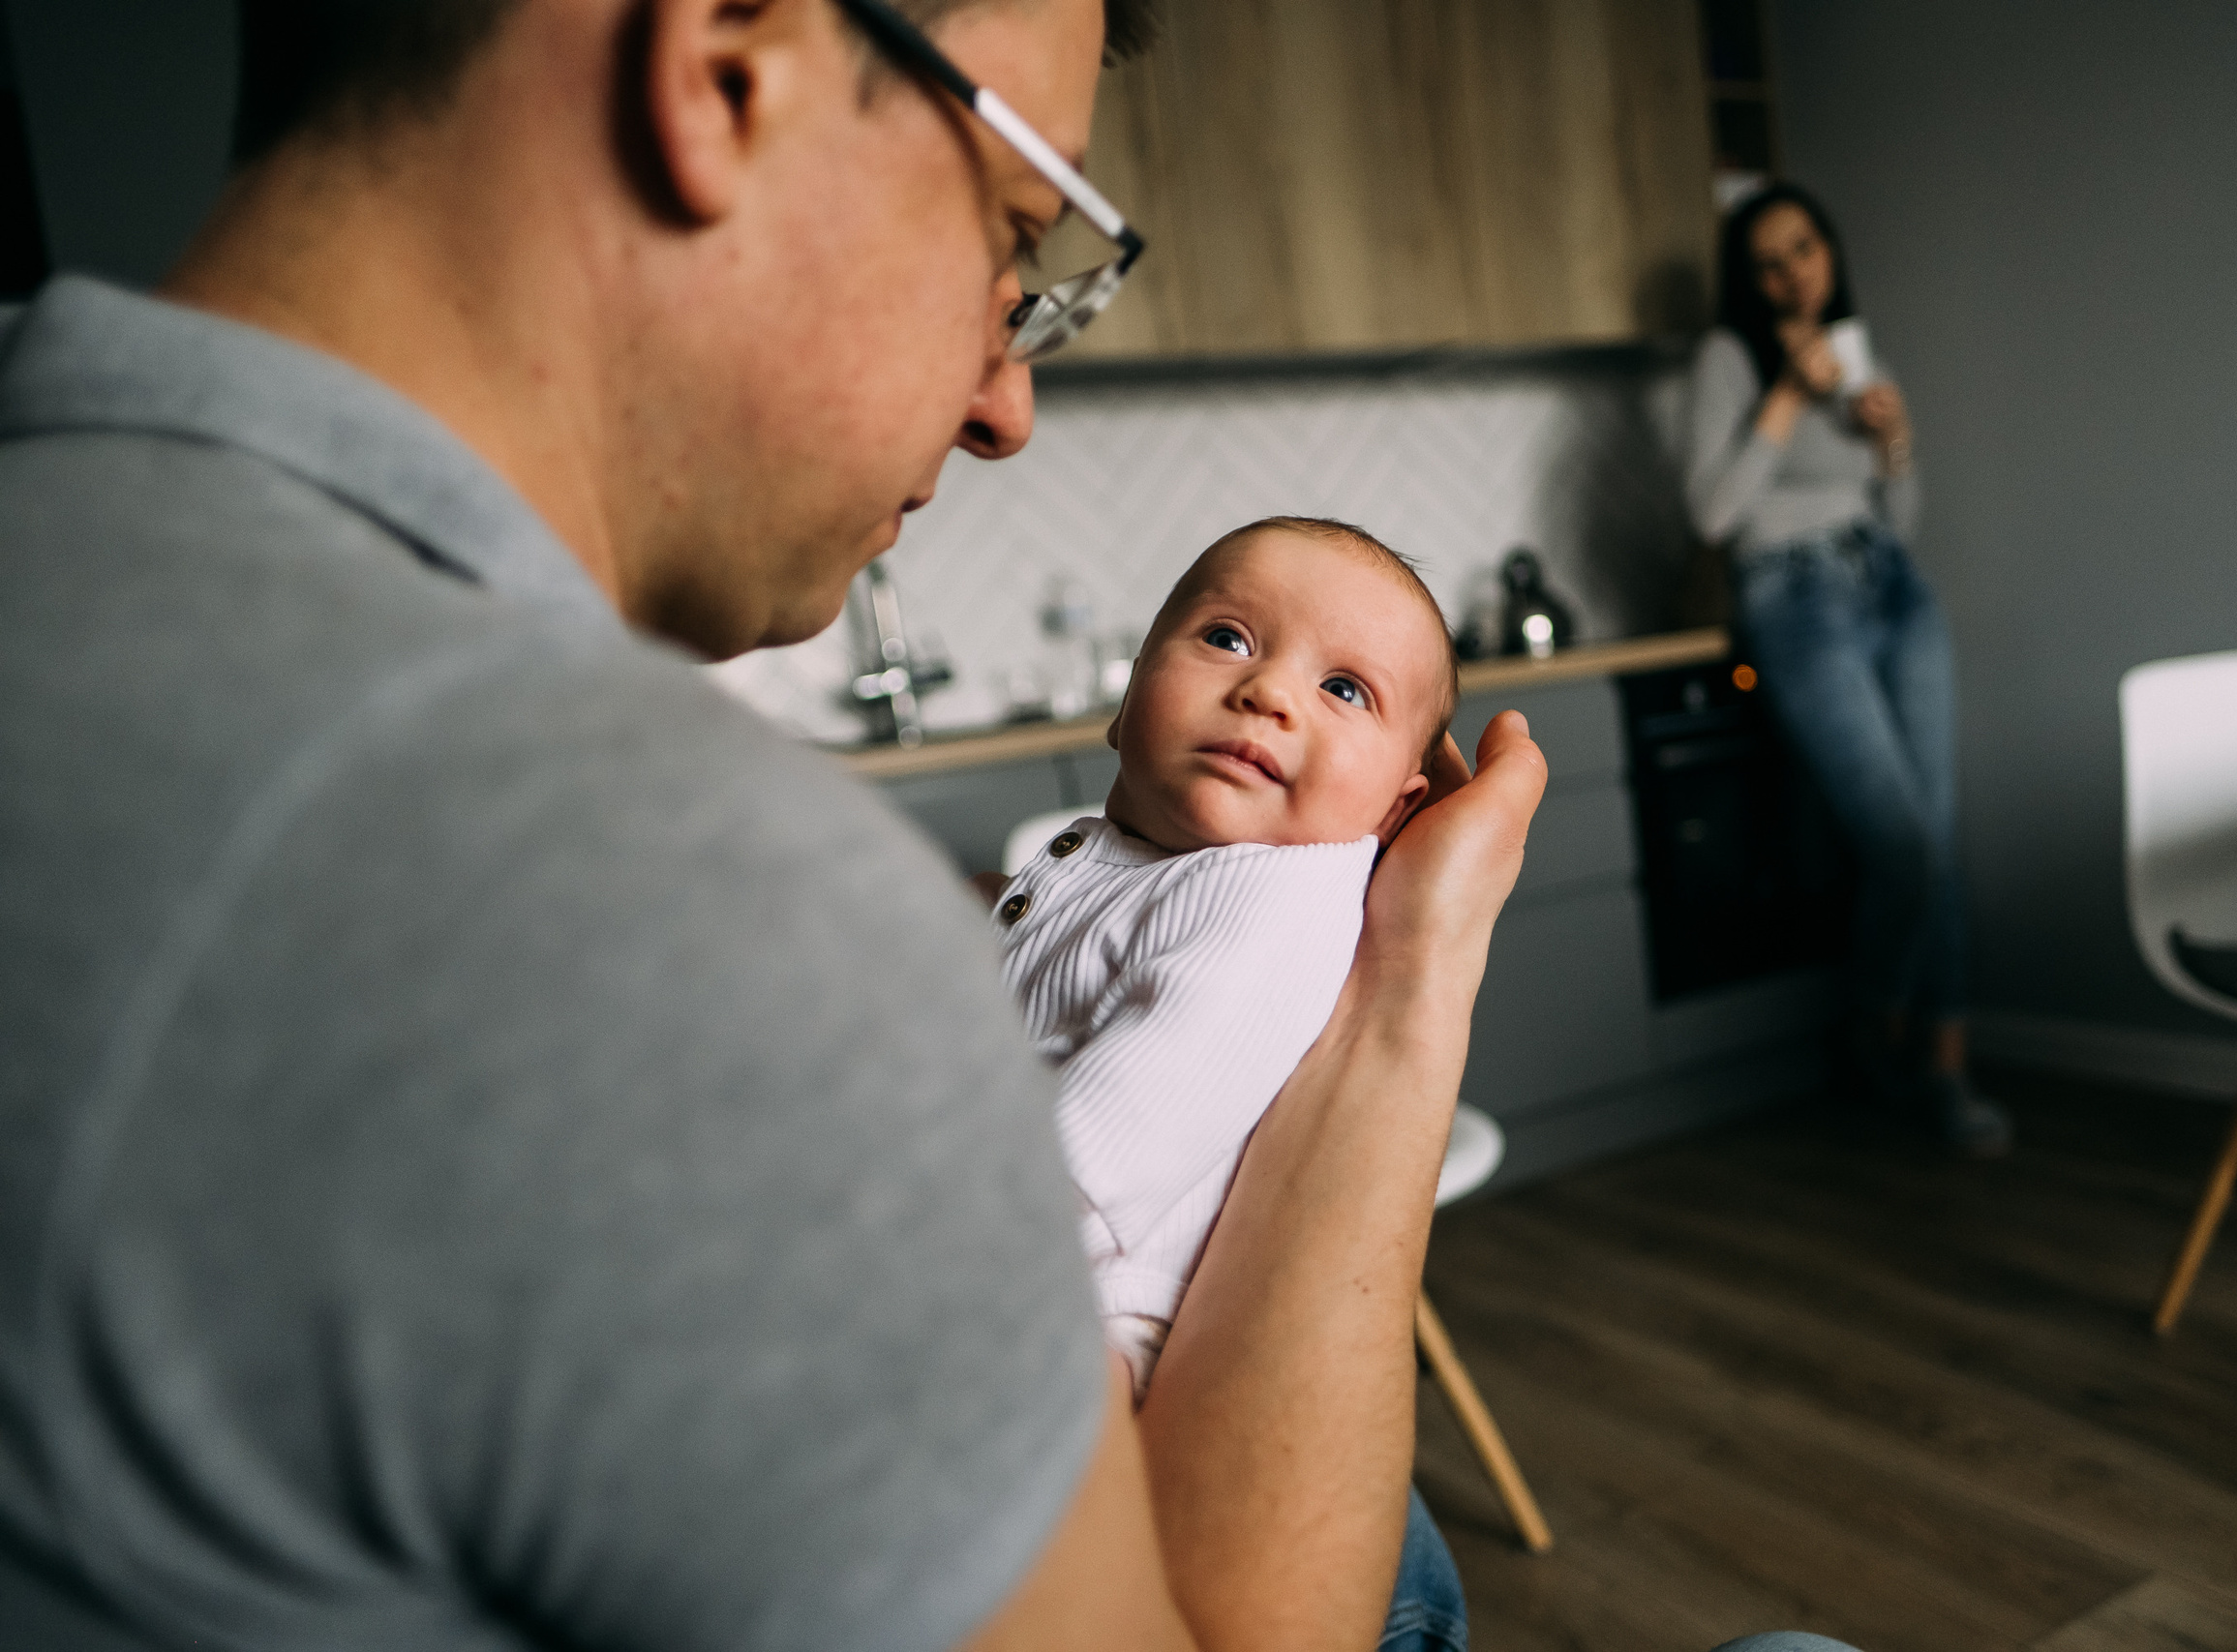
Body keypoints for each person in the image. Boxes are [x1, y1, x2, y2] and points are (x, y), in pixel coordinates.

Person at [0, 1, 1856, 1646]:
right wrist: (1407, 987)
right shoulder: (651, 900)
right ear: (725, 65)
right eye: (1011, 237)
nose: (1007, 401)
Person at [996, 517, 1459, 1402]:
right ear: (1128, 698)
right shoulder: (1118, 854)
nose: (1269, 690)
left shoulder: (1274, 896)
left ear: (1396, 811)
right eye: (1226, 637)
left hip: (1070, 1312)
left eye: (1345, 689)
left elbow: (1111, 1145)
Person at [1685, 181, 2011, 1159]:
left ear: (1830, 254)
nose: (1792, 271)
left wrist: (1893, 441)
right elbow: (1712, 517)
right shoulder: (1727, 359)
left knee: (1936, 843)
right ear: (1748, 282)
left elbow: (1897, 520)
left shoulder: (1859, 351)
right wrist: (1785, 396)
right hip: (1795, 605)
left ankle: (1942, 1069)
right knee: (1903, 848)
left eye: (1805, 249)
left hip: (1893, 589)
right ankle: (1874, 1038)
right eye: (1768, 261)